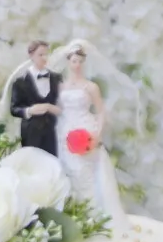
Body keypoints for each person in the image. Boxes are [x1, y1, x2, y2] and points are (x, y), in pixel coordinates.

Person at [51, 41, 131, 231]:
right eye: (74, 61)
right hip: (65, 131)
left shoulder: (91, 87)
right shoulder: (61, 87)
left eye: (80, 61)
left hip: (85, 129)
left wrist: (96, 134)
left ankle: (92, 214)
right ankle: (72, 215)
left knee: (85, 172)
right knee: (68, 170)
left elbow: (101, 112)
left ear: (83, 63)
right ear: (68, 62)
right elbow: (59, 109)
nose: (76, 64)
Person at [7, 40, 61, 156]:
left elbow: (63, 101)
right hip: (31, 132)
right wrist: (29, 110)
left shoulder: (56, 78)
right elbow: (14, 109)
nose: (44, 58)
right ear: (31, 55)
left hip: (54, 130)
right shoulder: (20, 82)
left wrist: (54, 109)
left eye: (47, 54)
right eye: (40, 55)